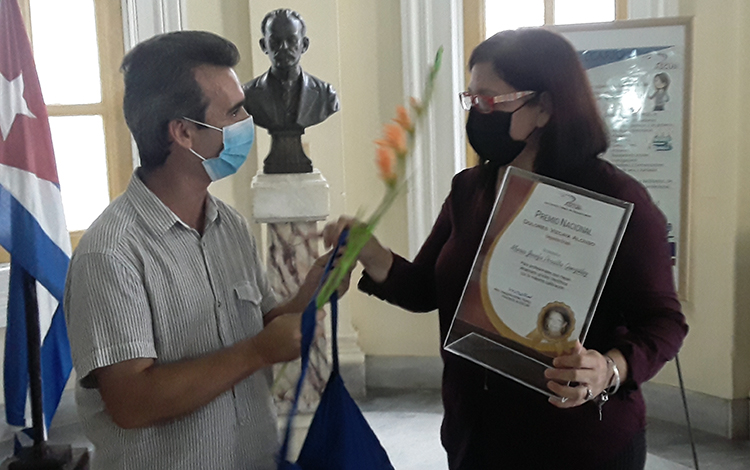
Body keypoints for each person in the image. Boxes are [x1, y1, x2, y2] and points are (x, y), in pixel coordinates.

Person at [324, 28, 688, 470]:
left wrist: (607, 368)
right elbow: (428, 290)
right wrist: (371, 251)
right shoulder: (470, 189)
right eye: (471, 98)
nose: (477, 113)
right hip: (475, 434)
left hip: (575, 443)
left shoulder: (614, 199)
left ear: (545, 107)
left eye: (490, 100)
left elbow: (664, 321)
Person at [63, 31, 332, 470]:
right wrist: (259, 352)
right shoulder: (111, 254)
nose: (250, 120)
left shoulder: (229, 226)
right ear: (184, 132)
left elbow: (259, 325)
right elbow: (132, 402)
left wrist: (312, 292)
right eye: (235, 112)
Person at [243, 8, 339, 174]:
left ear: (304, 44)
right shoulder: (248, 95)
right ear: (264, 45)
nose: (284, 47)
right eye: (275, 41)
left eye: (292, 40)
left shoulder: (325, 95)